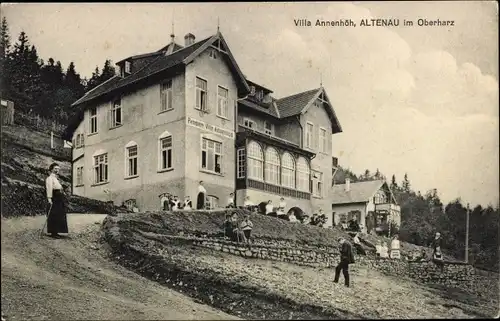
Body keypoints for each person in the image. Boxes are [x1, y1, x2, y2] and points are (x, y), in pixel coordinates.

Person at [45, 163, 68, 238]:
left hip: (59, 198)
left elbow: (59, 187)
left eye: (58, 169)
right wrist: (49, 198)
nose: (57, 170)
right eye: (55, 168)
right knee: (54, 214)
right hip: (54, 198)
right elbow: (49, 189)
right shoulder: (49, 178)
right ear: (51, 169)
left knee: (59, 214)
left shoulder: (56, 178)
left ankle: (57, 231)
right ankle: (53, 232)